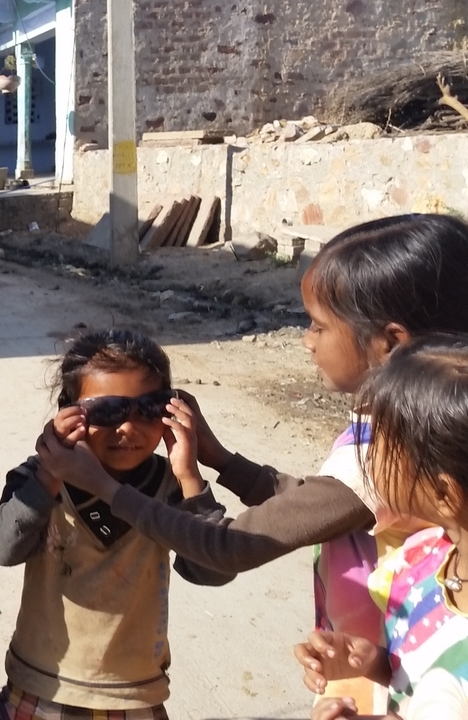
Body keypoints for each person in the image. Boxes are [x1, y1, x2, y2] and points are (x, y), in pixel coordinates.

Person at [35, 213, 468, 715]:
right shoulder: (416, 432)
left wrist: (109, 489)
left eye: (319, 325)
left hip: (402, 673)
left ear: (390, 344)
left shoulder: (388, 449)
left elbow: (228, 547)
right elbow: (325, 503)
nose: (307, 340)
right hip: (383, 657)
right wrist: (221, 459)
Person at [0, 329, 235, 720]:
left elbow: (214, 569)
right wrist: (49, 477)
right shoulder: (41, 479)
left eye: (148, 409)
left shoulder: (171, 486)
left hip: (132, 696)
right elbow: (2, 549)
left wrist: (190, 476)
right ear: (68, 413)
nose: (128, 428)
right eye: (107, 411)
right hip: (43, 686)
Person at [294, 335, 468, 720]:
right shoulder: (416, 567)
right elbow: (424, 685)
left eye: (379, 446)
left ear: (443, 493)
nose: (366, 457)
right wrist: (373, 664)